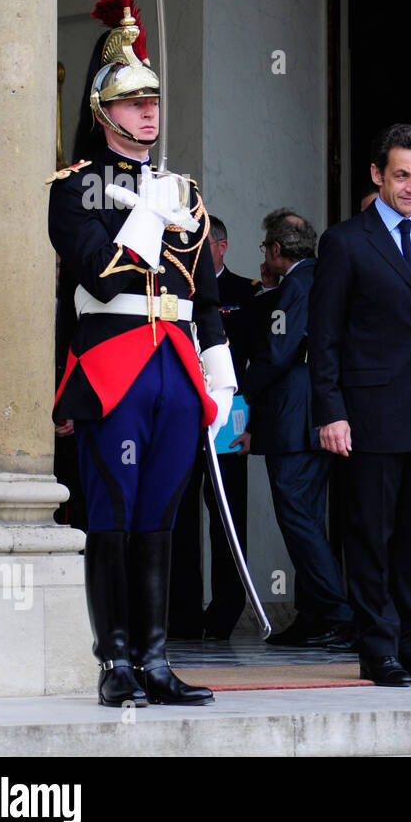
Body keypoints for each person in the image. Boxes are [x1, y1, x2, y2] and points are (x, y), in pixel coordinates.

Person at [48, 0, 235, 706]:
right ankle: (114, 663)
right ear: (103, 112)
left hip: (176, 367)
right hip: (113, 363)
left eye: (153, 100)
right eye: (132, 101)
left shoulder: (182, 190)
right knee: (114, 512)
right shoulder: (74, 189)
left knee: (161, 513)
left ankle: (156, 660)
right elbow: (95, 274)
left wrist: (223, 382)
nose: (148, 112)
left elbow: (206, 297)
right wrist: (146, 222)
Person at [309, 123, 411, 687]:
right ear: (377, 175)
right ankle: (378, 650)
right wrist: (330, 410)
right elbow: (323, 336)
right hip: (367, 416)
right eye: (401, 175)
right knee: (370, 537)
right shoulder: (346, 241)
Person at [244, 209, 354, 648]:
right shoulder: (315, 277)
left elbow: (278, 350)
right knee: (307, 516)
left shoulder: (299, 283)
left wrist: (239, 393)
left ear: (274, 250)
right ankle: (315, 616)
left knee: (298, 518)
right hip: (312, 416)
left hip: (296, 418)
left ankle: (338, 613)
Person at [169, 215, 262, 639]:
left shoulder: (248, 293)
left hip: (231, 418)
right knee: (180, 515)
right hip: (185, 415)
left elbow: (263, 362)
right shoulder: (176, 286)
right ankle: (182, 613)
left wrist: (254, 422)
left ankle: (226, 611)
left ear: (221, 248)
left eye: (203, 245)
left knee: (227, 516)